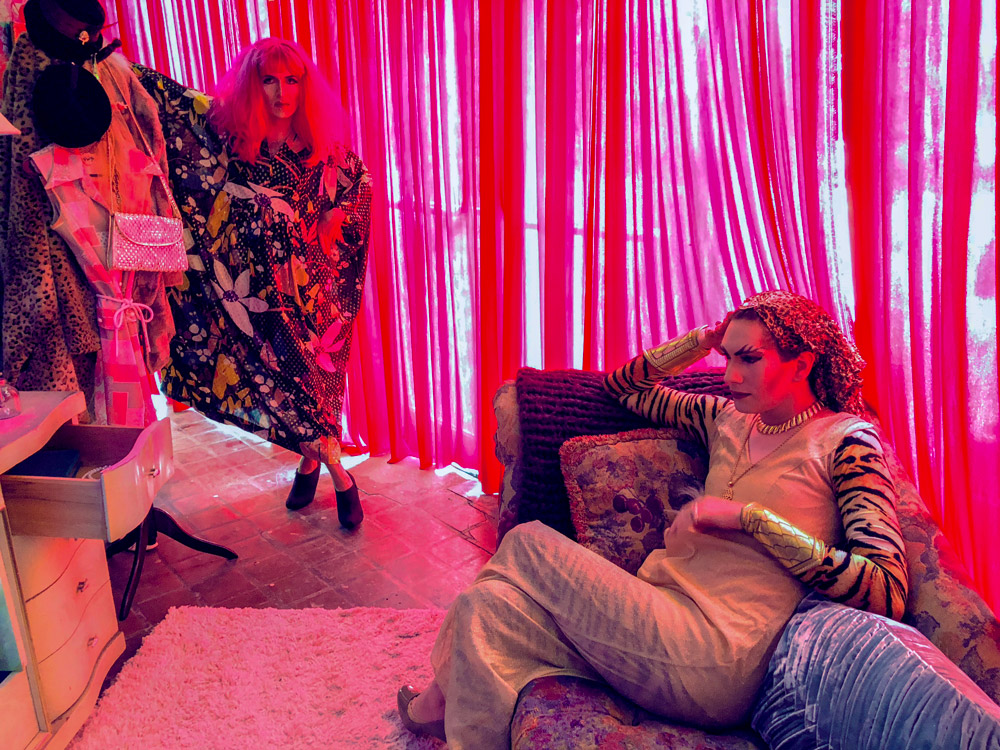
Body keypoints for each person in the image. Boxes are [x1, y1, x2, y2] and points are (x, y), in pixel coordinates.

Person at [396, 290, 909, 748]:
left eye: (749, 358)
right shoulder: (727, 420)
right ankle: (449, 720)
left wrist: (751, 518)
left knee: (528, 542)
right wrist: (701, 340)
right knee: (488, 606)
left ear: (803, 365)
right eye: (728, 357)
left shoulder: (845, 440)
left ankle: (436, 705)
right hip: (656, 612)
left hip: (722, 654)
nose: (730, 376)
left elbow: (886, 588)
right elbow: (623, 387)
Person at [133, 38, 373, 526]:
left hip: (312, 293)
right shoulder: (232, 144)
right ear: (251, 86)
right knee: (291, 386)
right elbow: (170, 104)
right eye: (269, 80)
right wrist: (113, 65)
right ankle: (336, 473)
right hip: (253, 295)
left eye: (292, 80)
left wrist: (335, 216)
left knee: (313, 387)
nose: (282, 92)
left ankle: (317, 464)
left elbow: (361, 186)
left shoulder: (320, 150)